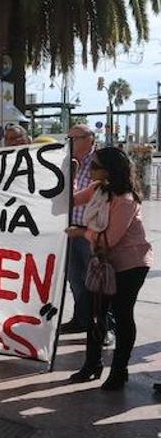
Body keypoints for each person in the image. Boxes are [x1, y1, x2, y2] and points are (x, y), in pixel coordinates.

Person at [65, 147, 153, 391]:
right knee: (96, 315)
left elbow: (109, 239)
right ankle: (91, 365)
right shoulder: (97, 189)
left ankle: (119, 370)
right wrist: (69, 175)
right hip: (103, 264)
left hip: (129, 264)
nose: (89, 170)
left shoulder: (124, 200)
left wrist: (82, 232)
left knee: (122, 316)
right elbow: (70, 200)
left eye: (94, 166)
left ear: (109, 169)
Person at [61, 124, 96, 335]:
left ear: (90, 139)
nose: (70, 142)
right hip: (71, 230)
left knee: (98, 281)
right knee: (75, 279)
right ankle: (81, 319)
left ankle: (104, 326)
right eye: (69, 138)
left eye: (76, 138)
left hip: (92, 232)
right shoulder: (66, 162)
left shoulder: (100, 163)